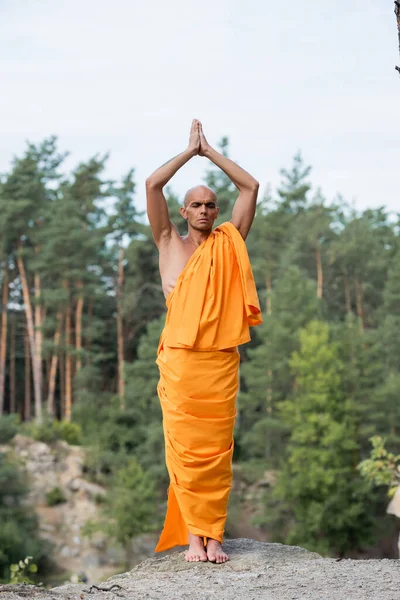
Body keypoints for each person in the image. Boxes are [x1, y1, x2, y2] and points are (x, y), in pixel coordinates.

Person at [146, 119, 262, 564]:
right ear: (183, 211)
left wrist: (211, 153)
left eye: (211, 205)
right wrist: (187, 152)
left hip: (219, 363)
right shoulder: (167, 243)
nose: (204, 211)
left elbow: (250, 187)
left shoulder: (228, 242)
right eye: (195, 204)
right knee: (184, 451)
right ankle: (195, 536)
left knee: (216, 453)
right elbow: (153, 184)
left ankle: (214, 534)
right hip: (179, 365)